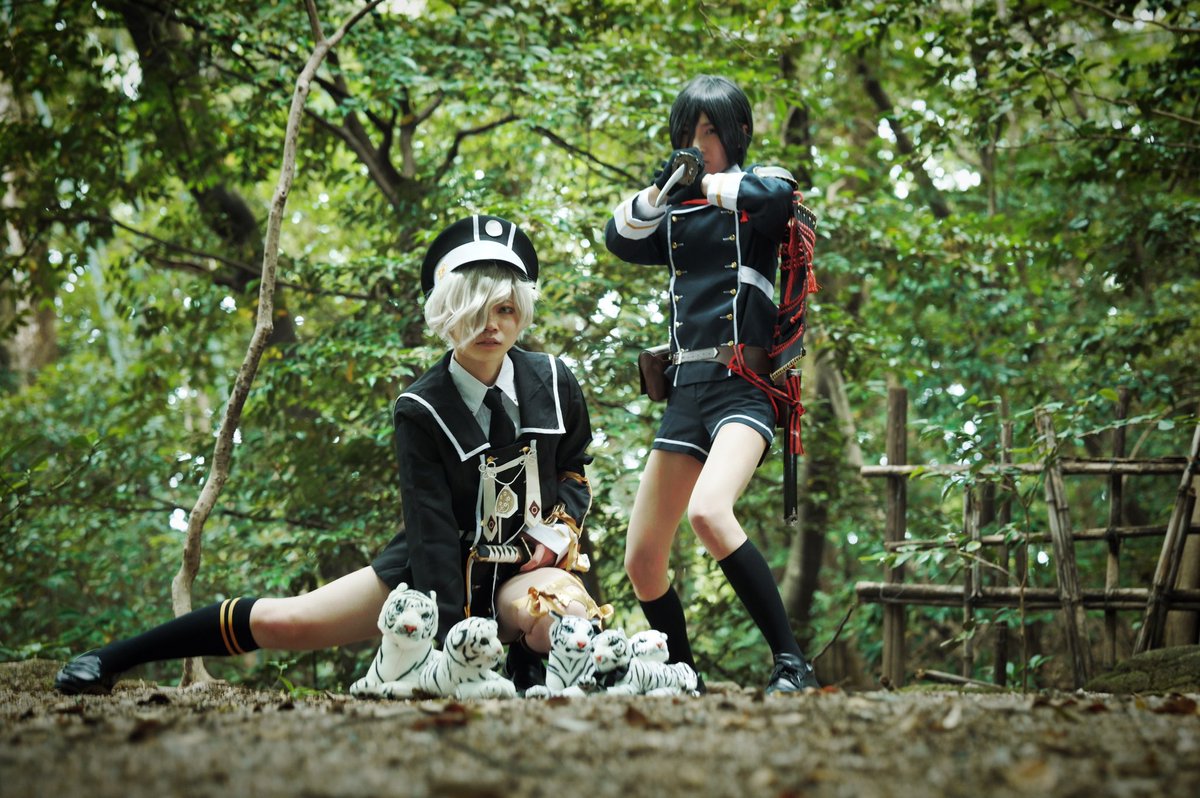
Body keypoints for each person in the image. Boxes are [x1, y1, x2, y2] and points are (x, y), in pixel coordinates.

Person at [55, 214, 607, 696]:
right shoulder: (420, 407)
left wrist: (558, 534)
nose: (492, 325)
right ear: (446, 311)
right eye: (476, 309)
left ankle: (531, 677)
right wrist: (442, 646)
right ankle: (110, 658)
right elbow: (431, 528)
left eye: (506, 309)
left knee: (562, 618)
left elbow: (573, 469)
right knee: (288, 622)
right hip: (435, 571)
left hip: (525, 570)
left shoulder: (553, 380)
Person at [604, 75, 820, 693]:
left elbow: (777, 199)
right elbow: (618, 237)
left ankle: (792, 664)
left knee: (708, 512)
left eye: (709, 131)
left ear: (737, 133)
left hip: (743, 388)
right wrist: (664, 189)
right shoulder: (676, 213)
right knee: (643, 558)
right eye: (686, 132)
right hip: (685, 392)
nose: (696, 143)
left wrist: (702, 182)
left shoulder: (757, 194)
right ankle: (682, 677)